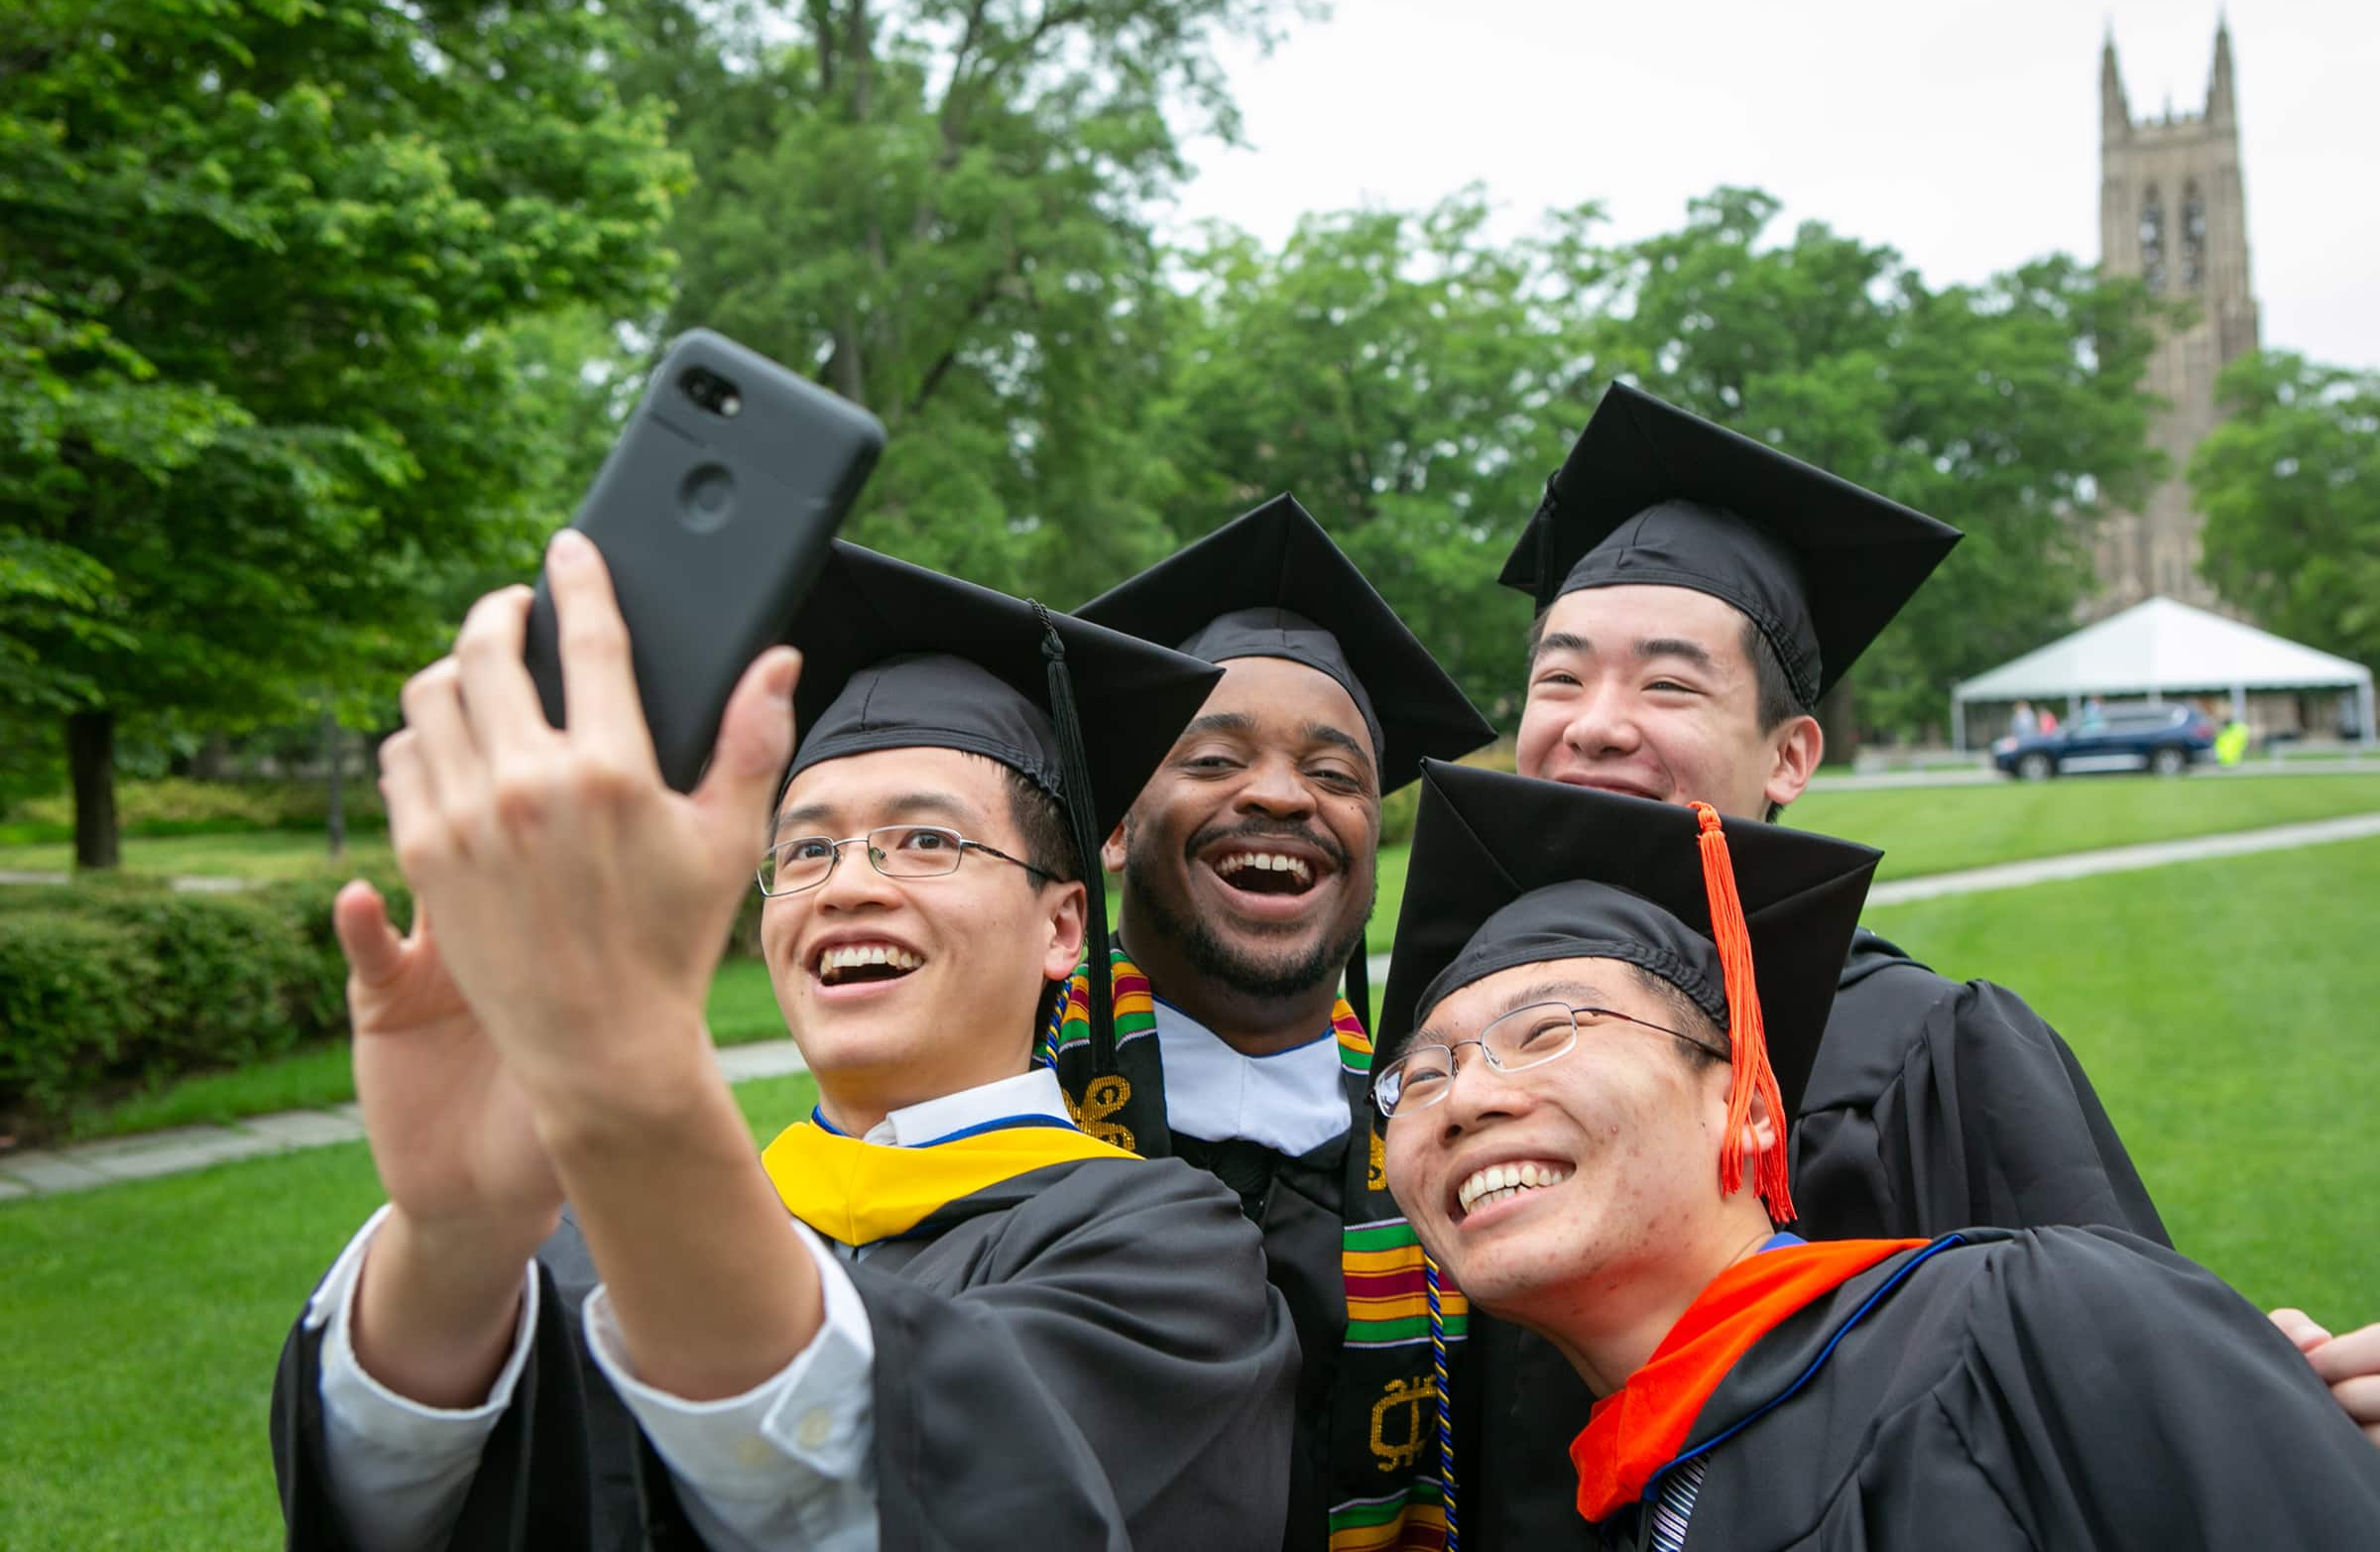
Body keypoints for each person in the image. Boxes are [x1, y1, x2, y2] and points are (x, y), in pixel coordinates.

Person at [1477, 382, 2379, 1541]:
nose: (1595, 722)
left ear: (1791, 756)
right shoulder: (1459, 1065)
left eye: (1667, 682)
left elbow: (2113, 1396)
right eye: (1561, 677)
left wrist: (2260, 1405)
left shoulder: (1921, 1050)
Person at [269, 536, 1299, 1551]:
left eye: (925, 839)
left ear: (1063, 926)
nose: (847, 883)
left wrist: (635, 1094)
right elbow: (398, 1514)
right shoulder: (592, 1240)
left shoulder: (1174, 1259)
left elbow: (987, 1499)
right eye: (806, 848)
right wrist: (452, 1236)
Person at [1373, 760, 2380, 1549]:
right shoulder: (1640, 1504)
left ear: (1751, 1107)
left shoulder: (2021, 1322)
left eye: (1548, 1030)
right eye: (1419, 1079)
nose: (1465, 1098)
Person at [1053, 494, 1497, 1552]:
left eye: (1337, 775)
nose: (1284, 797)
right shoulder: (1002, 1128)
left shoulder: (1469, 1154)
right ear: (1113, 827)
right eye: (1212, 759)